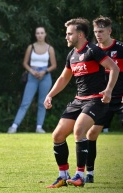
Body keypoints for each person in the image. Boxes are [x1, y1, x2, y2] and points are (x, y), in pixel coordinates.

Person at [44, 18, 119, 188]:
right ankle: (63, 176)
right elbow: (64, 78)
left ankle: (80, 175)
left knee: (79, 130)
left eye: (69, 34)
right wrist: (50, 95)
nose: (66, 37)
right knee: (57, 135)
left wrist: (108, 91)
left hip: (95, 100)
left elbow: (114, 68)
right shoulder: (72, 55)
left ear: (80, 35)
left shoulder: (93, 50)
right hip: (78, 100)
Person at [85, 16, 123, 183]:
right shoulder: (93, 51)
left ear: (109, 31)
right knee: (91, 134)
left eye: (101, 31)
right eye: (95, 32)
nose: (98, 35)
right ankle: (90, 174)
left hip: (120, 98)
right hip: (103, 100)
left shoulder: (121, 48)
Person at [7, 26, 57, 133]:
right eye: (38, 33)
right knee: (25, 102)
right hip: (32, 75)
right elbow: (25, 63)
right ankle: (14, 126)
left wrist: (45, 72)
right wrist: (32, 71)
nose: (40, 35)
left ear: (45, 34)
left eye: (42, 33)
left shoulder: (50, 48)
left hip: (45, 76)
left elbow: (53, 65)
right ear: (35, 35)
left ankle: (39, 127)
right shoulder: (31, 47)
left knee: (42, 102)